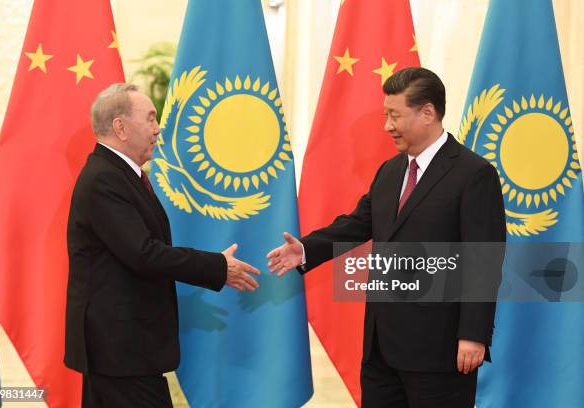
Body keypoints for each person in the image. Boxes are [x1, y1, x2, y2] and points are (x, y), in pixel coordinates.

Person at [267, 67, 506, 407]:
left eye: (394, 115)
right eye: (385, 115)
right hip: (381, 351)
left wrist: (473, 335)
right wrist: (306, 249)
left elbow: (484, 261)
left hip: (440, 352)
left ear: (427, 113)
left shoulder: (474, 174)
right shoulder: (391, 170)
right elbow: (357, 224)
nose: (387, 126)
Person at [65, 83, 260, 408]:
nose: (159, 128)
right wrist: (217, 266)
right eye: (151, 118)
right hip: (119, 352)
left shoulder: (120, 174)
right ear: (120, 127)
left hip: (127, 350)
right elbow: (144, 253)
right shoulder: (104, 179)